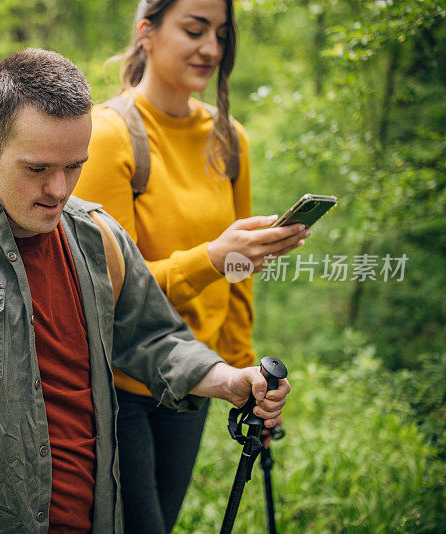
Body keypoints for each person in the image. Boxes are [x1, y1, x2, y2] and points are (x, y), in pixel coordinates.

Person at [0, 48, 290, 533]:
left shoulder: (98, 238)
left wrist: (228, 380)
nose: (59, 189)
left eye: (74, 166)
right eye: (38, 169)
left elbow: (152, 339)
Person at [72, 1, 308, 532]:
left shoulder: (230, 138)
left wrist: (248, 379)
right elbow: (106, 295)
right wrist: (211, 258)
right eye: (195, 29)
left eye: (221, 34)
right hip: (117, 383)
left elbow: (239, 277)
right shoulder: (108, 136)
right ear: (147, 32)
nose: (211, 48)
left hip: (196, 382)